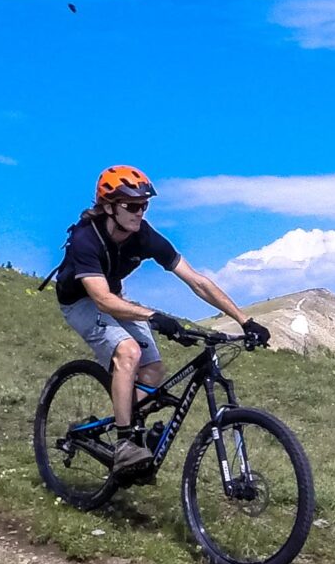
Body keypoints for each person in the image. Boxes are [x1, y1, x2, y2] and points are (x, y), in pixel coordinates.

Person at [53, 165, 270, 474]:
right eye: (132, 205)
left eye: (144, 205)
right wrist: (153, 316)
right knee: (129, 351)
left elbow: (196, 280)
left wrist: (244, 320)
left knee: (153, 371)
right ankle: (126, 442)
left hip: (115, 299)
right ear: (108, 206)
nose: (140, 212)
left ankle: (127, 427)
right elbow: (100, 299)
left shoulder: (144, 236)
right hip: (81, 302)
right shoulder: (86, 240)